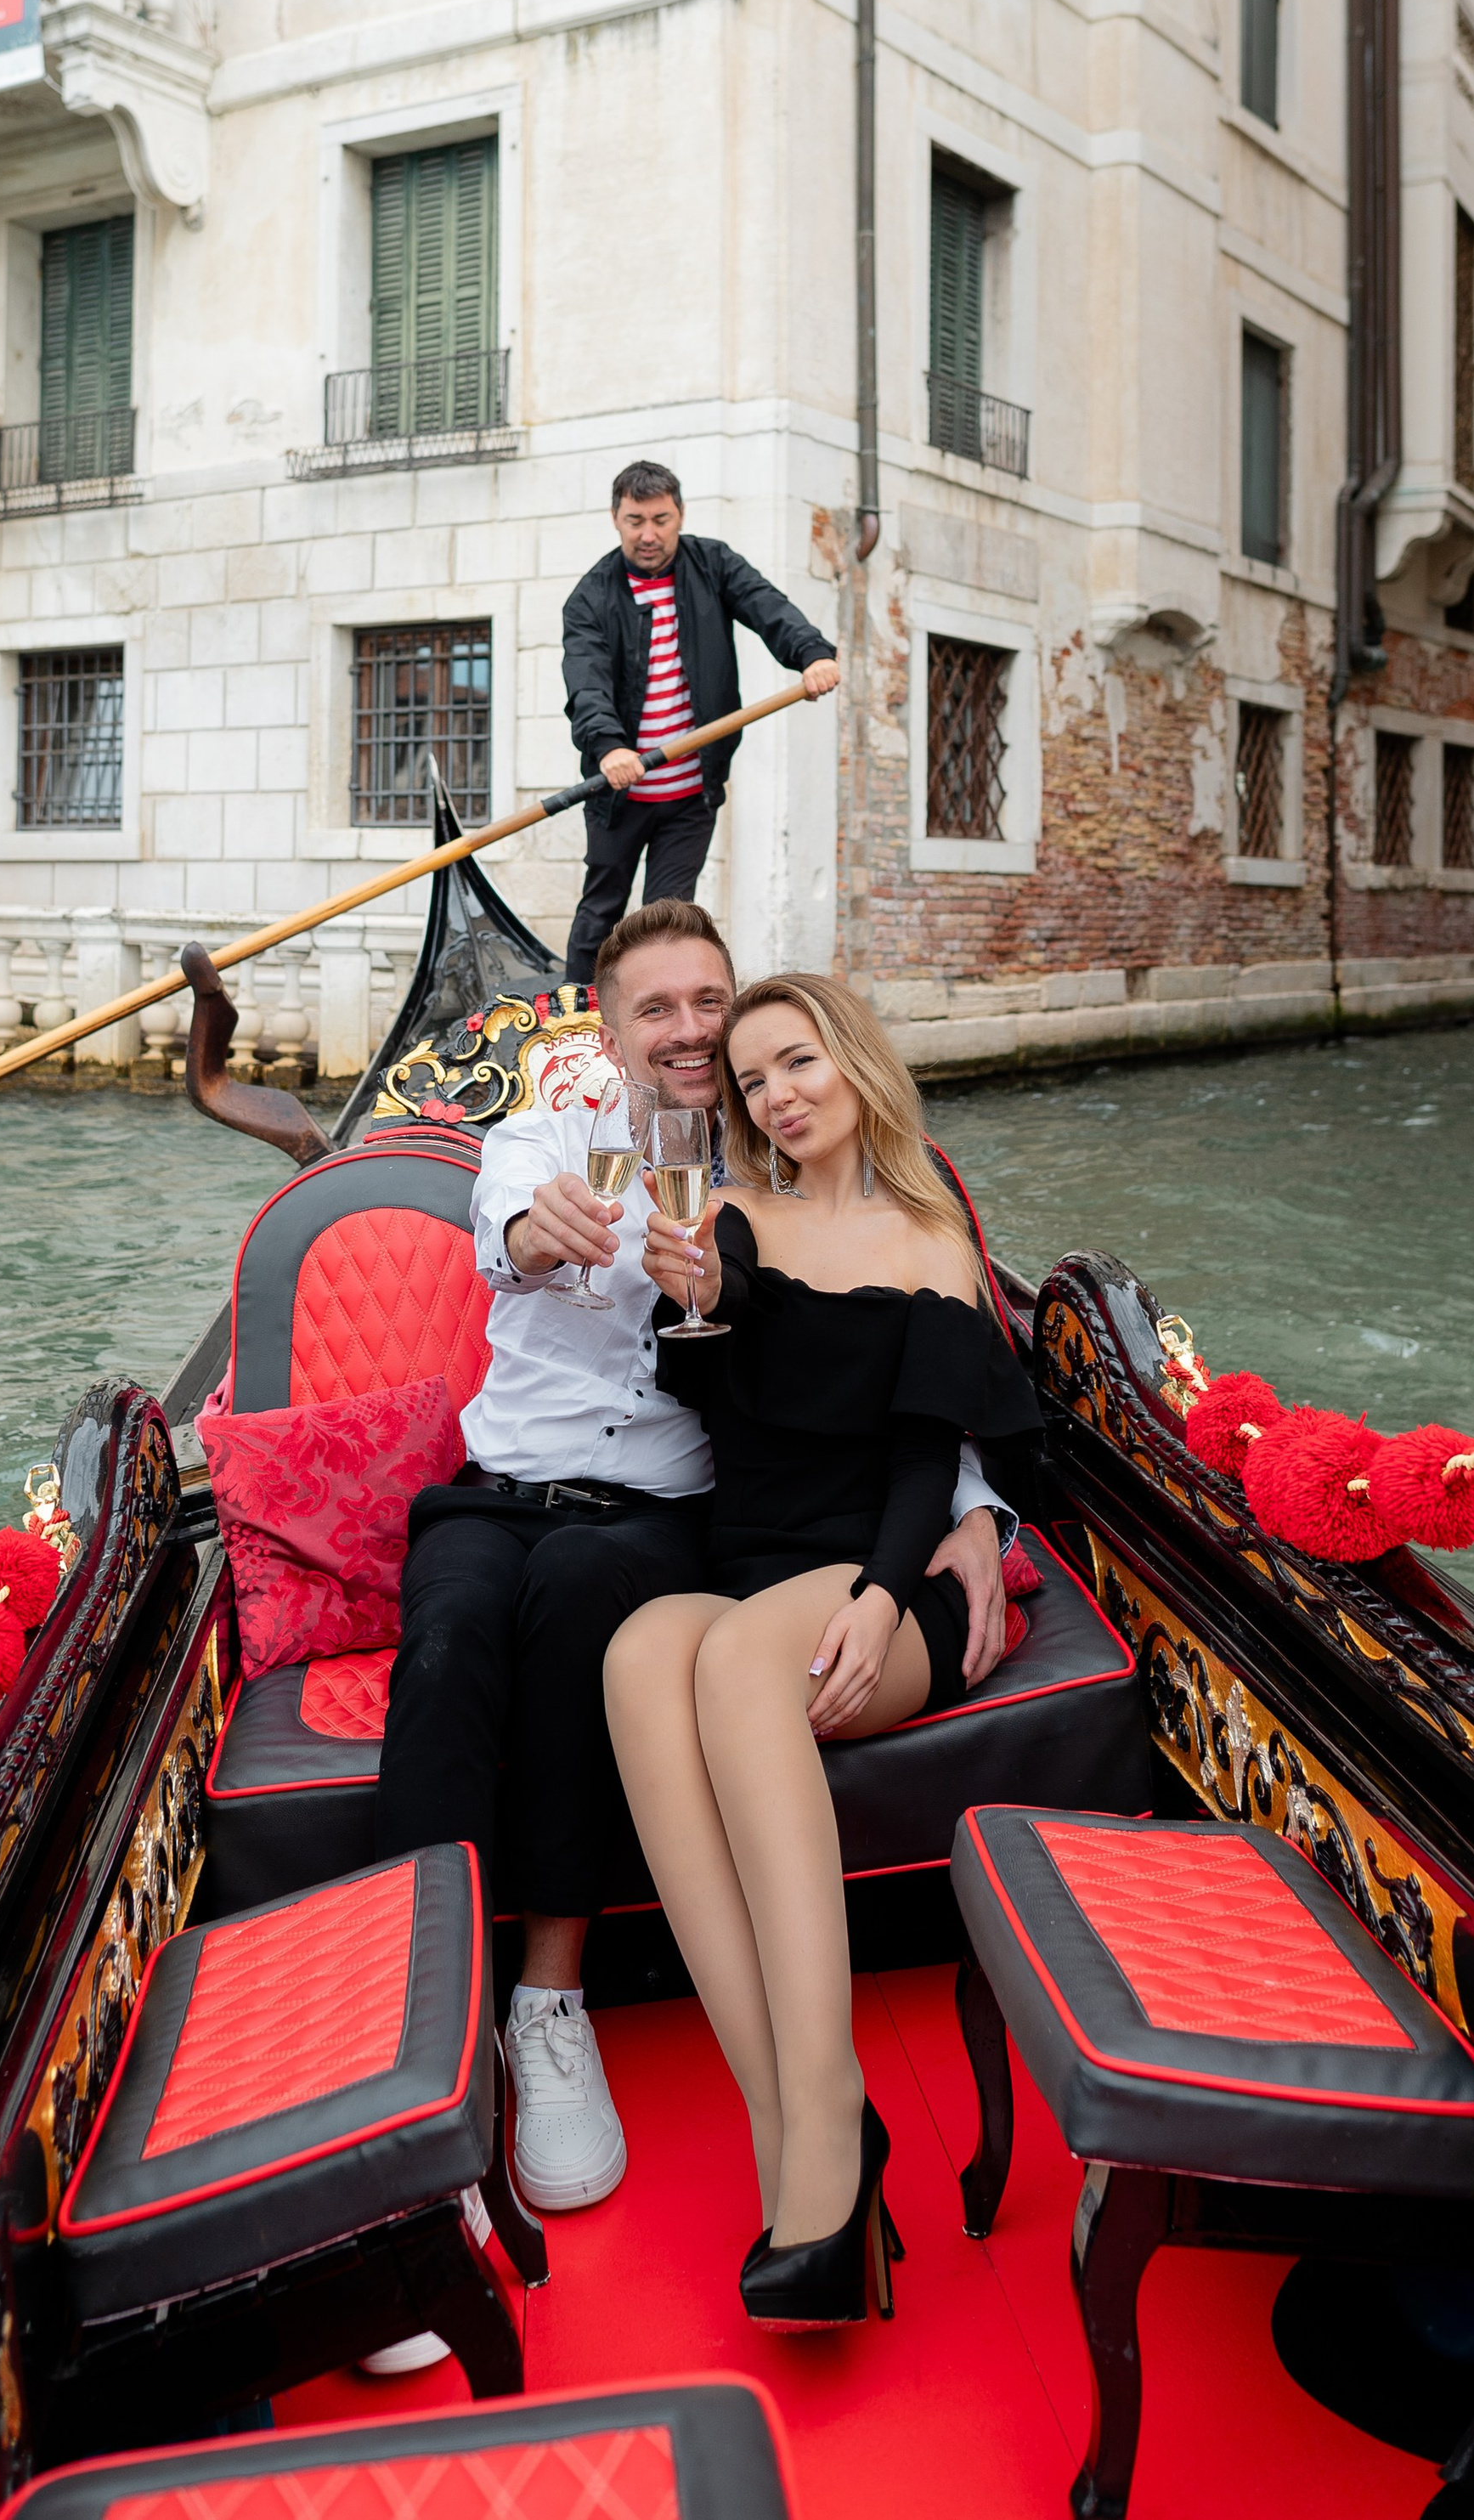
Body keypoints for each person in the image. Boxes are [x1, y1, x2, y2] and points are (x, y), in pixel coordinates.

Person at [370, 903, 1015, 2223]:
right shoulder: (550, 1140)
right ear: (603, 1032)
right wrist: (537, 1232)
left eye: (710, 1004)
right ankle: (410, 2067)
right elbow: (509, 1223)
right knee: (443, 1647)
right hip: (500, 1491)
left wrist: (983, 1514)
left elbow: (900, 1387)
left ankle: (551, 2006)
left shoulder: (760, 1180)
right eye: (656, 1008)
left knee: (586, 1611)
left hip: (667, 1513)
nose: (693, 1033)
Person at [605, 972, 1038, 2330]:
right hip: (749, 1566)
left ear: (852, 1063)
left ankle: (823, 2149)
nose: (777, 1094)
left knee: (735, 1664)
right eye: (752, 1080)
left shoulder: (930, 1240)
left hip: (873, 1589)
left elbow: (925, 1459)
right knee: (635, 1653)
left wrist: (882, 1587)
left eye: (797, 1061)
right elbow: (708, 1394)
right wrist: (696, 1302)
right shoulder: (732, 1221)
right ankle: (804, 2114)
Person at [559, 462, 841, 984]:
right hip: (619, 792)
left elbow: (767, 607)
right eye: (635, 520)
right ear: (616, 519)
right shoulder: (591, 597)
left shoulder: (713, 565)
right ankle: (575, 1022)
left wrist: (811, 654)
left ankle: (656, 1020)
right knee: (600, 912)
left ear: (680, 515)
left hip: (690, 794)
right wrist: (608, 746)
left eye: (662, 519)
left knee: (666, 921)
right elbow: (586, 681)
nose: (649, 534)